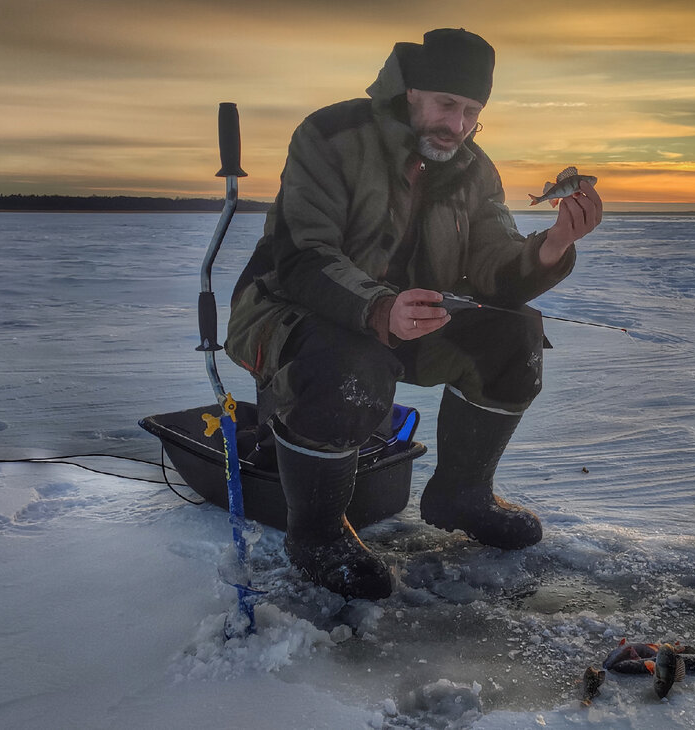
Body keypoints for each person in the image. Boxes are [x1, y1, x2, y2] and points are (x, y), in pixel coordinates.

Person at [226, 28, 603, 600]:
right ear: (409, 91)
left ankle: (463, 494)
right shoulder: (331, 135)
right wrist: (379, 306)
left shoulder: (474, 170)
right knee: (351, 364)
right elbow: (303, 256)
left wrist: (548, 250)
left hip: (412, 316)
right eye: (447, 104)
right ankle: (317, 535)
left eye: (472, 111)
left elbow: (494, 269)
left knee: (515, 333)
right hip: (289, 309)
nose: (458, 124)